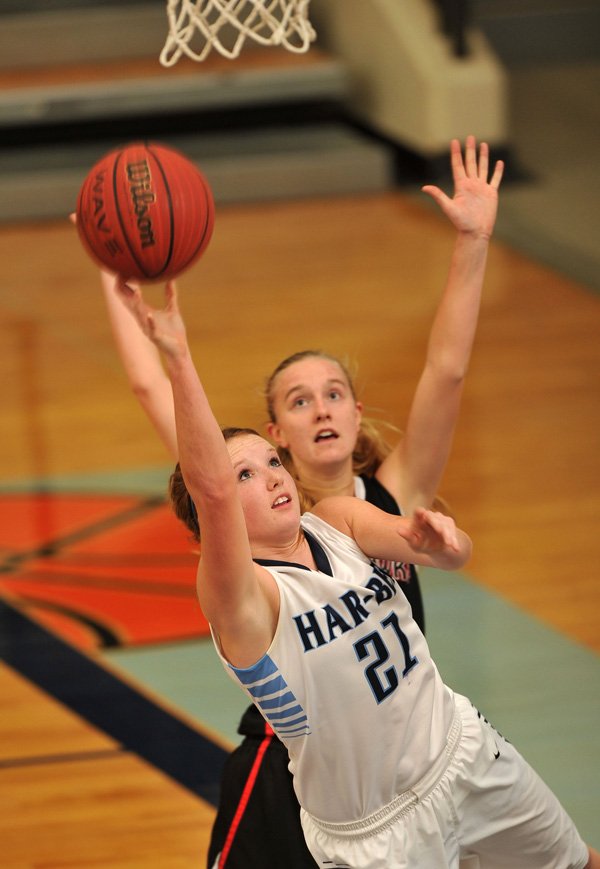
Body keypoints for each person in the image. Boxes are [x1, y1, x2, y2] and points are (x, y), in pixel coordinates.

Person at [89, 136, 505, 868]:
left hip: (407, 757)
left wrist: (473, 242)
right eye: (299, 399)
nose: (322, 409)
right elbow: (155, 391)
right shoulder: (254, 505)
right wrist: (118, 278)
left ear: (355, 411)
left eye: (334, 393)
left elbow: (448, 369)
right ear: (273, 432)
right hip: (292, 770)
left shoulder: (393, 497)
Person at [114, 274, 598, 869]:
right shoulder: (246, 604)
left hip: (463, 755)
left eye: (271, 465)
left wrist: (445, 546)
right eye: (244, 475)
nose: (270, 477)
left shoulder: (338, 517)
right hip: (376, 834)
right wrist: (179, 354)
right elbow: (208, 487)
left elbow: (445, 550)